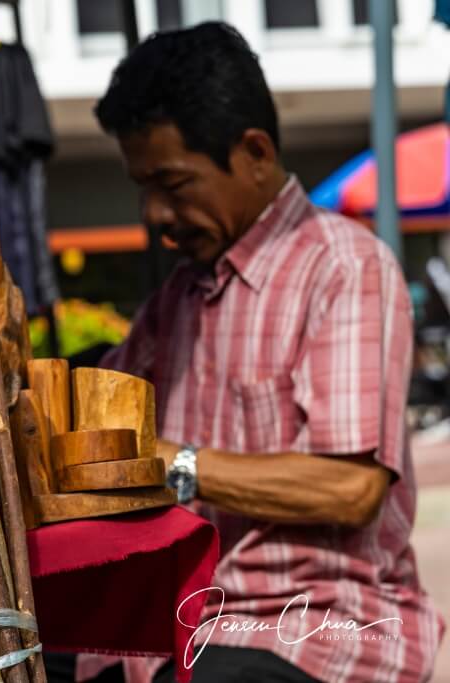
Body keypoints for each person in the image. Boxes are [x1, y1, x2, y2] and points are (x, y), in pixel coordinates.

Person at [94, 22, 445, 683]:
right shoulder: (177, 298)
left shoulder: (345, 267)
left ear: (254, 151)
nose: (155, 214)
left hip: (316, 625)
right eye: (144, 187)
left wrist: (176, 465)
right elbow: (96, 424)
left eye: (172, 183)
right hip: (183, 619)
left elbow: (351, 487)